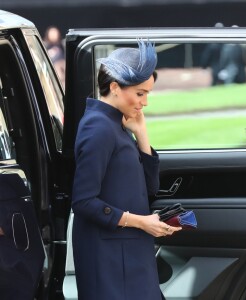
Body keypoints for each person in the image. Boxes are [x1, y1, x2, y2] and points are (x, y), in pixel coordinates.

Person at [71, 39, 182, 300]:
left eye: (148, 94)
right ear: (114, 88)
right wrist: (141, 222)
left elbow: (149, 188)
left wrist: (142, 133)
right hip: (110, 259)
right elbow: (83, 201)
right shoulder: (98, 128)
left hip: (128, 254)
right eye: (140, 93)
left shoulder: (116, 125)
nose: (145, 102)